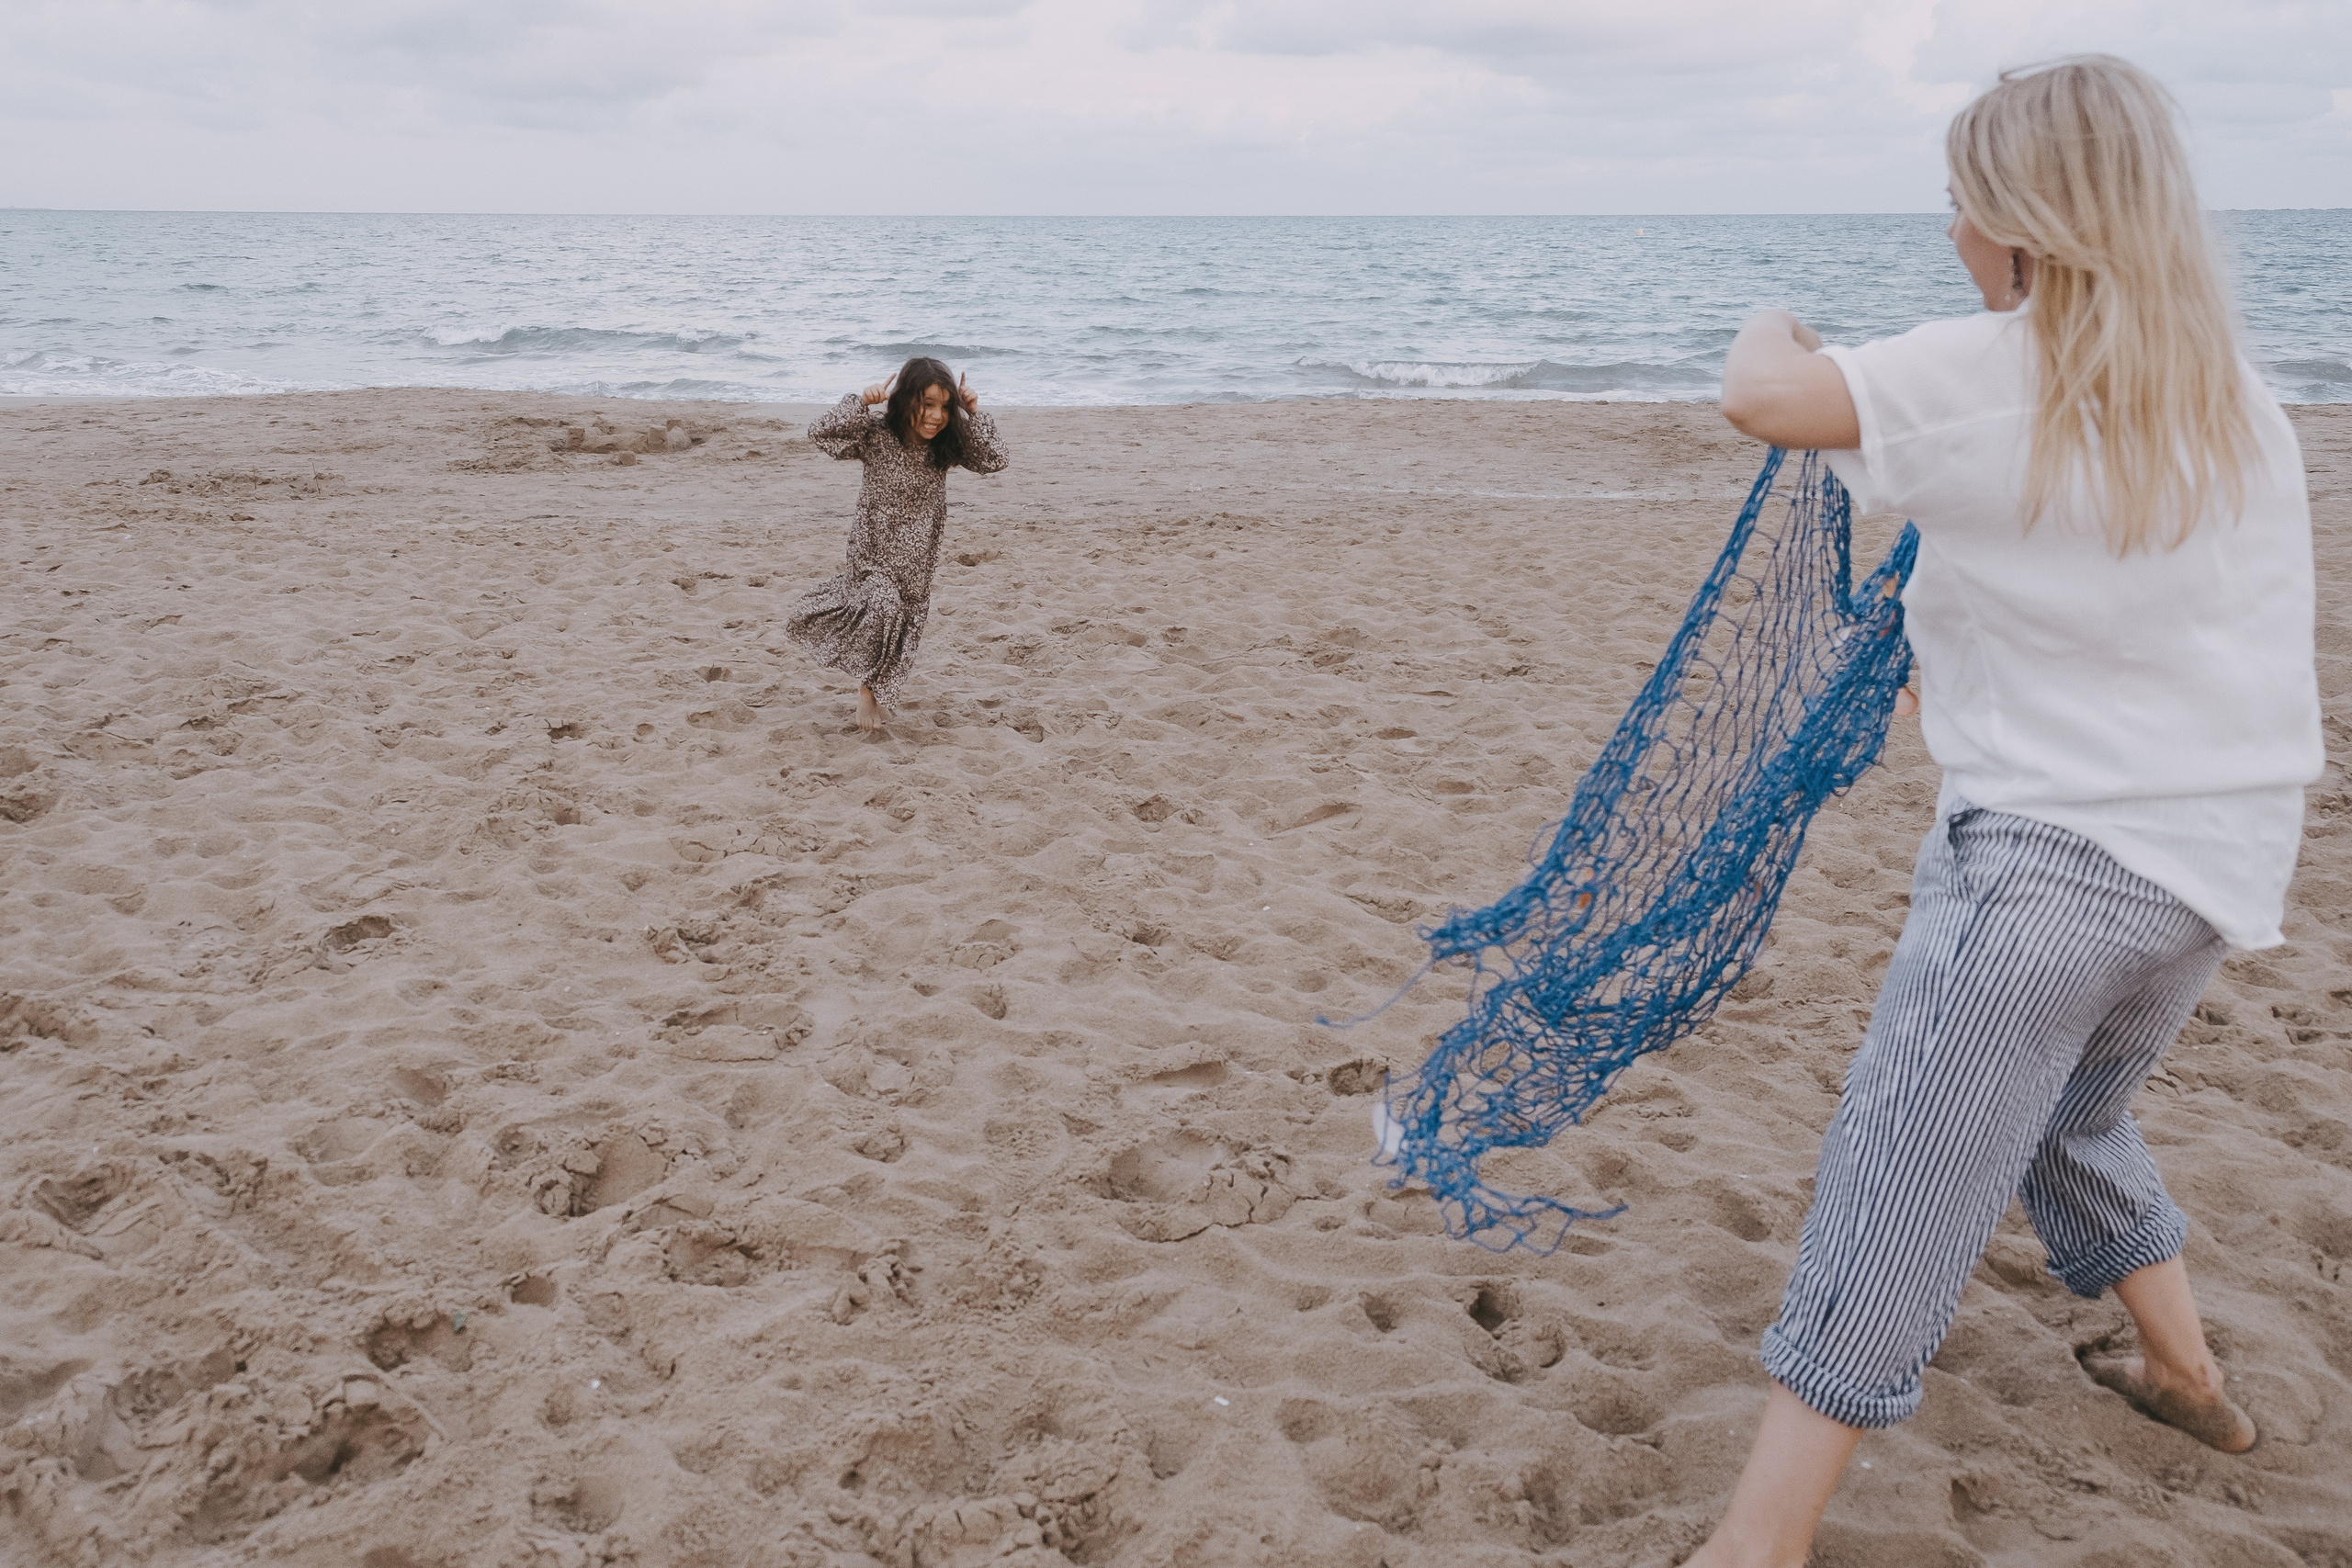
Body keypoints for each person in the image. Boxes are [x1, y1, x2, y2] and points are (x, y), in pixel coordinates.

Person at [1701, 54, 2320, 1567]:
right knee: (2066, 1112)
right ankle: (2185, 1377)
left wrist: (1774, 317)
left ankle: (1754, 1545)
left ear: (2023, 224)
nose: (1955, 240)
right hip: (2217, 862)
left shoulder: (2002, 360)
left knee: (1896, 1175)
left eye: (1963, 209)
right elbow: (2143, 604)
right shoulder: (2226, 393)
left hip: (2050, 869)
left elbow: (1757, 396)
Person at [786, 355, 1008, 730]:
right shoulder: (875, 435)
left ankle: (877, 690)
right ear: (904, 400)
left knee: (901, 627)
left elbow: (996, 458)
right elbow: (820, 433)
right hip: (871, 551)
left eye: (944, 406)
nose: (936, 416)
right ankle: (867, 694)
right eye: (926, 405)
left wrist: (975, 411)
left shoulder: (946, 446)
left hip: (918, 559)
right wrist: (859, 403)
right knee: (881, 606)